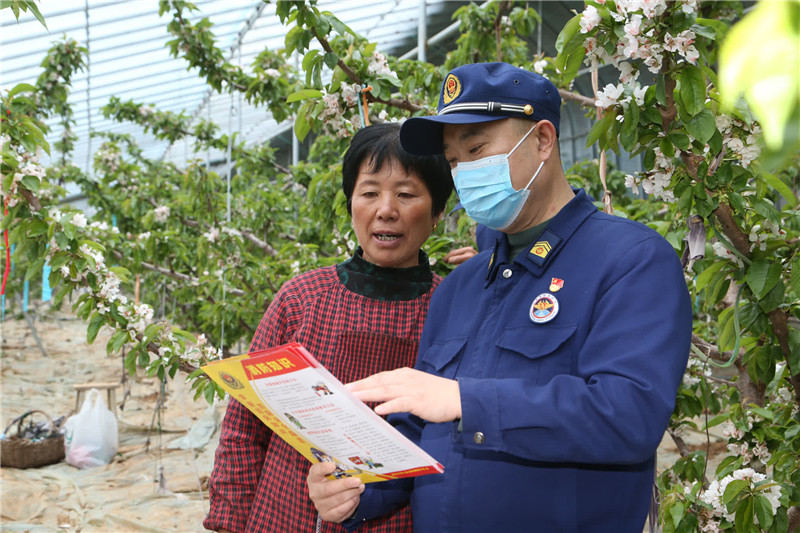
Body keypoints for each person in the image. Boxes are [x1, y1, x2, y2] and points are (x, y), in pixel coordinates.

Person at [308, 62, 692, 532]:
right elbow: (420, 426)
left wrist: (467, 400)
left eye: (477, 148)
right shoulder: (458, 289)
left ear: (543, 140)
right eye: (453, 161)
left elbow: (626, 415)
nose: (465, 171)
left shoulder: (629, 259)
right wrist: (357, 488)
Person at [203, 122, 453, 533]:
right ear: (351, 202)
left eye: (406, 195)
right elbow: (244, 425)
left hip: (397, 519)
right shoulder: (301, 298)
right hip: (284, 510)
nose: (385, 209)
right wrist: (230, 520)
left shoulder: (449, 310)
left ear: (438, 212)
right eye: (369, 192)